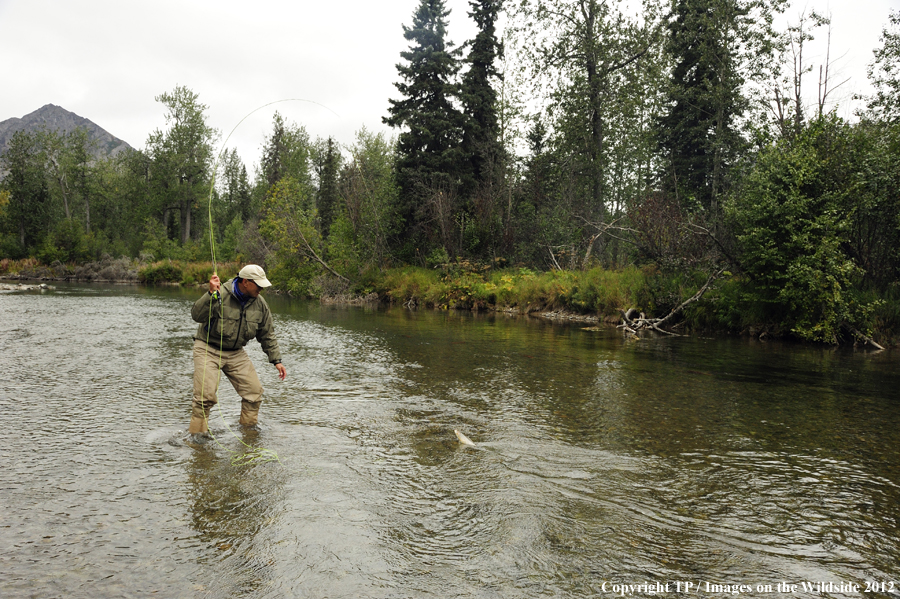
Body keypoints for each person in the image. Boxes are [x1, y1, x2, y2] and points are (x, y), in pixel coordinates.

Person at [189, 264, 287, 434]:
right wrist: (210, 295)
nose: (261, 289)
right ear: (245, 282)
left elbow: (267, 334)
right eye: (259, 285)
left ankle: (248, 434)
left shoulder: (260, 304)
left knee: (254, 393)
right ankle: (197, 440)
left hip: (236, 353)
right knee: (205, 398)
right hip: (207, 349)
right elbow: (196, 315)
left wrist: (276, 360)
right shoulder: (219, 293)